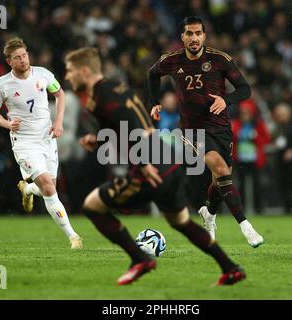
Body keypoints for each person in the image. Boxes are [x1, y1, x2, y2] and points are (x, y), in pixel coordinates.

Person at [64, 47, 245, 286]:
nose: (67, 76)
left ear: (84, 71)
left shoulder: (99, 98)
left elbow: (134, 127)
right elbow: (133, 125)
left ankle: (140, 259)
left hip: (150, 166)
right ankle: (230, 268)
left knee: (92, 206)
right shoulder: (116, 87)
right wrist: (98, 139)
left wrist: (143, 162)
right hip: (167, 160)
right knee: (181, 222)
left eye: (70, 71)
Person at [148, 16, 263, 247]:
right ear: (182, 37)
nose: (194, 38)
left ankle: (209, 214)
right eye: (189, 33)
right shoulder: (171, 60)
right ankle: (246, 226)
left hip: (221, 127)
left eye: (198, 33)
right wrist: (154, 101)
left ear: (204, 36)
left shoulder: (220, 59)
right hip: (192, 129)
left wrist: (226, 99)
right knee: (221, 169)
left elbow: (245, 89)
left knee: (220, 180)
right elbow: (152, 74)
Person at [0, 38, 82, 249]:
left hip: (47, 138)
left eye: (24, 55)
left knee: (49, 187)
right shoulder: (2, 85)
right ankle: (73, 237)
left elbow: (60, 94)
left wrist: (58, 122)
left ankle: (28, 189)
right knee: (49, 188)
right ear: (9, 62)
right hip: (24, 142)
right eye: (17, 58)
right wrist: (7, 123)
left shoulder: (43, 74)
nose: (23, 60)